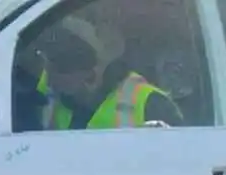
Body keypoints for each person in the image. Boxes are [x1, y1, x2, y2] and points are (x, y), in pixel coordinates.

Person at [32, 22, 182, 131]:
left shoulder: (152, 104)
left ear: (90, 73)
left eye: (61, 67)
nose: (50, 79)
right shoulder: (50, 91)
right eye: (48, 65)